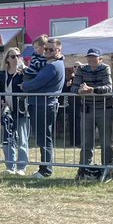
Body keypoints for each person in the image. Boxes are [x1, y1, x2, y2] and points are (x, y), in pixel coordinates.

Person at [22, 38, 65, 178]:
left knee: (44, 138)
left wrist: (24, 86)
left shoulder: (52, 66)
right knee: (43, 137)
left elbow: (35, 83)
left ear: (58, 50)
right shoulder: (51, 64)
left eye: (51, 49)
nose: (47, 51)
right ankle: (44, 168)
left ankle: (46, 170)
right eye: (46, 49)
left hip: (44, 105)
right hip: (43, 104)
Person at [72, 47, 113, 179]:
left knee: (106, 142)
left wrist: (92, 90)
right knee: (86, 143)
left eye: (94, 57)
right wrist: (80, 91)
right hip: (87, 109)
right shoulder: (81, 70)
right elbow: (73, 87)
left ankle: (108, 171)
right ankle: (84, 171)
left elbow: (108, 87)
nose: (91, 59)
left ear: (100, 59)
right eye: (89, 57)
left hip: (105, 109)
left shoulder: (105, 68)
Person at [0, 48, 29, 174]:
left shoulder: (24, 72)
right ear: (7, 59)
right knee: (8, 139)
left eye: (18, 56)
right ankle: (10, 166)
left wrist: (25, 72)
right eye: (13, 56)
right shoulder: (3, 73)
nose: (16, 58)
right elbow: (0, 90)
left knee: (22, 139)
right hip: (7, 109)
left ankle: (21, 167)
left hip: (21, 109)